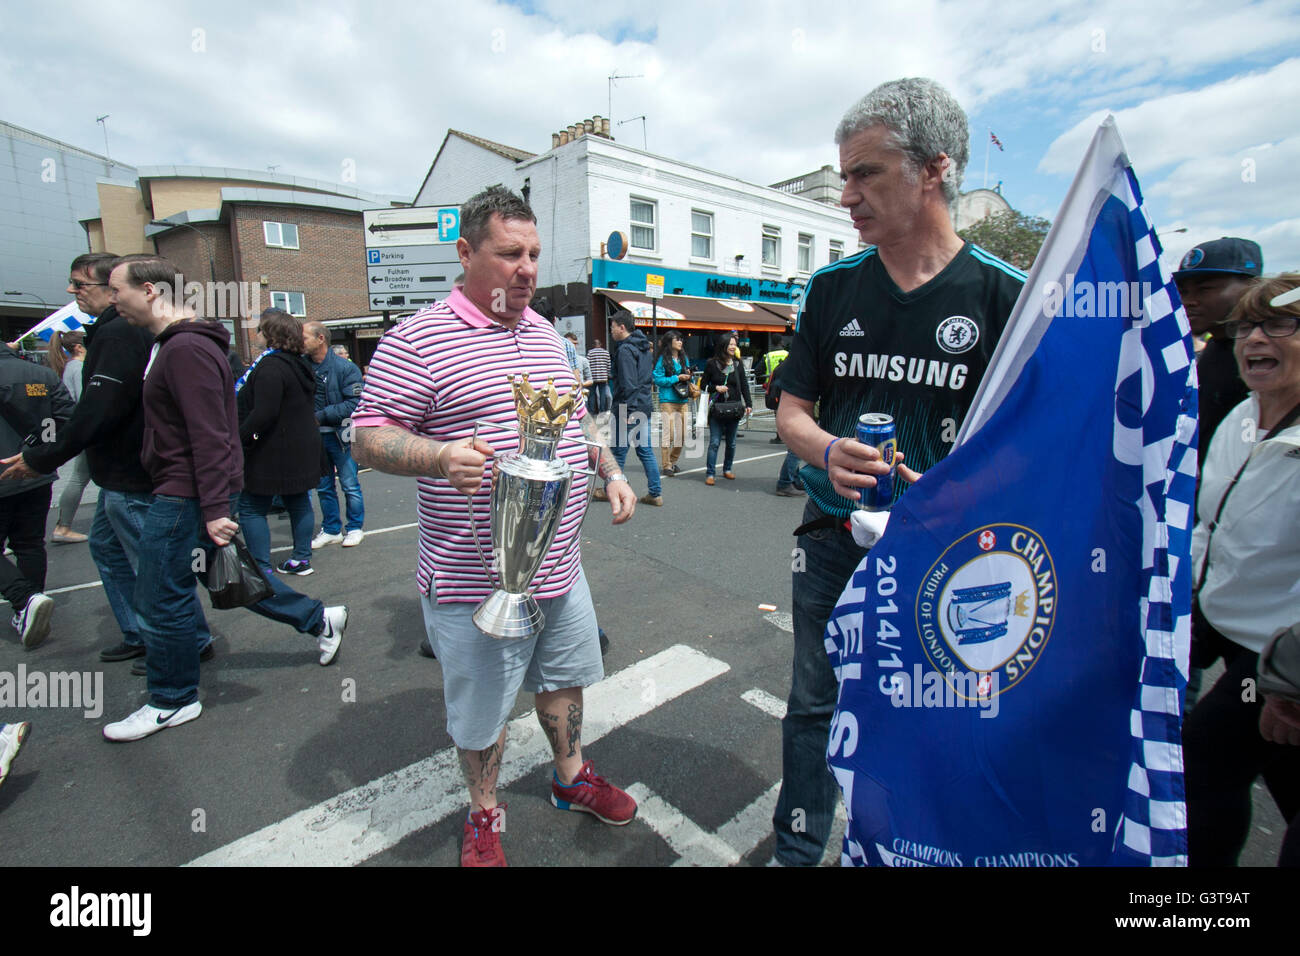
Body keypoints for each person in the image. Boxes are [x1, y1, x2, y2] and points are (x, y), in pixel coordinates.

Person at [770, 77, 1025, 865]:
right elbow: (790, 412)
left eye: (865, 173)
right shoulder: (831, 289)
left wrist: (960, 491)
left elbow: (1027, 447)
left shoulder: (1005, 298)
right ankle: (797, 845)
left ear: (934, 169)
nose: (845, 195)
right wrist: (824, 450)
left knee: (936, 714)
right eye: (842, 175)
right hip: (831, 544)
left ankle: (910, 846)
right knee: (814, 705)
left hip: (950, 557)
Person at [351, 185, 638, 867]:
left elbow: (575, 416)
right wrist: (438, 454)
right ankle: (484, 812)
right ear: (466, 251)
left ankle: (570, 779)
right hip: (471, 580)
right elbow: (365, 437)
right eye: (510, 253)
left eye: (534, 254)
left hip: (560, 567)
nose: (527, 268)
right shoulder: (416, 339)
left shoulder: (545, 333)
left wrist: (611, 470)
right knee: (482, 716)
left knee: (564, 681)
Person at [100, 256, 348, 743]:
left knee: (160, 596)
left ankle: (172, 699)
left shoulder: (186, 348)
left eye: (116, 290)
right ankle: (318, 617)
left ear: (150, 290)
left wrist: (214, 508)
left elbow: (212, 434)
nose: (112, 300)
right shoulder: (176, 344)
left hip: (184, 493)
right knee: (224, 574)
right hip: (186, 490)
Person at [2, 253, 217, 669]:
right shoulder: (124, 330)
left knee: (154, 565)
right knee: (110, 548)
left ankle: (185, 643)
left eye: (81, 285)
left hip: (132, 473)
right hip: (122, 471)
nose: (71, 292)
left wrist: (42, 456)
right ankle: (145, 632)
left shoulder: (123, 333)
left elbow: (99, 409)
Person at [1184, 273, 1300, 867]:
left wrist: (1291, 682)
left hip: (1282, 659)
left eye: (1280, 323)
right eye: (1248, 325)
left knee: (1205, 761)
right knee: (1228, 769)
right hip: (1235, 639)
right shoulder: (1242, 419)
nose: (1257, 337)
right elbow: (1211, 527)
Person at [1172, 236, 1262, 709]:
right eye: (1185, 289)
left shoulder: (1262, 365)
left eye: (1206, 288)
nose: (1190, 300)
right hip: (1201, 547)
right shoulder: (1208, 355)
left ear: (1250, 286)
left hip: (1255, 579)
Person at [0, 340, 74, 647]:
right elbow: (68, 417)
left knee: (26, 545)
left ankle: (25, 599)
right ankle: (27, 607)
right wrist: (37, 450)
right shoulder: (42, 374)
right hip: (35, 472)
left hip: (5, 472)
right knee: (29, 543)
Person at [236, 309, 321, 576]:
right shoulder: (299, 364)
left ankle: (261, 567)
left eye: (260, 329)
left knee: (250, 507)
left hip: (272, 450)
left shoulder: (271, 367)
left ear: (271, 334)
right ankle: (301, 558)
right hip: (300, 447)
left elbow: (264, 413)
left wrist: (240, 438)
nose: (256, 334)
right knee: (297, 501)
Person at [303, 321, 365, 549]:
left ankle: (355, 528)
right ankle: (331, 529)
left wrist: (319, 416)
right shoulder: (302, 366)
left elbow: (355, 403)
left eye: (305, 337)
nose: (301, 342)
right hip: (314, 438)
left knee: (350, 483)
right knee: (323, 486)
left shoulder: (345, 368)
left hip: (341, 436)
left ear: (321, 338)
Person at [606, 310, 663, 506]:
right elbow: (644, 379)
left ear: (622, 327)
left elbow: (629, 383)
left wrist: (627, 412)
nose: (611, 330)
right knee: (645, 450)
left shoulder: (625, 350)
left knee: (618, 451)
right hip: (644, 405)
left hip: (628, 407)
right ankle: (655, 493)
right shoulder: (644, 347)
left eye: (612, 327)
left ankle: (613, 490)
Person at [46, 331, 91, 543]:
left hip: (79, 428)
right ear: (79, 348)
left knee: (80, 477)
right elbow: (87, 401)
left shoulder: (69, 368)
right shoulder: (79, 368)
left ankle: (63, 526)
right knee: (80, 477)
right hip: (88, 430)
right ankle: (63, 527)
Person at [700, 333, 751, 485]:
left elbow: (744, 385)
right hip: (717, 409)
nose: (733, 346)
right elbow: (703, 385)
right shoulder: (711, 363)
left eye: (735, 344)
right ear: (723, 345)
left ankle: (727, 469)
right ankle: (710, 473)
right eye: (730, 344)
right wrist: (716, 388)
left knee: (732, 442)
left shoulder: (737, 364)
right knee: (715, 442)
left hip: (734, 408)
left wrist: (748, 404)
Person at [651, 331, 691, 476]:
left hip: (683, 399)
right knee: (670, 434)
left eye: (681, 339)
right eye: (677, 339)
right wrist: (676, 378)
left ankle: (673, 461)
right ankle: (666, 465)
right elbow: (658, 380)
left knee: (682, 435)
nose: (680, 342)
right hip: (667, 400)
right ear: (670, 342)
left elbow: (688, 378)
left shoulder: (684, 358)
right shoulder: (662, 359)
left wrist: (688, 378)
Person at [766, 355, 805, 496]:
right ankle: (785, 483)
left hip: (785, 409)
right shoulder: (797, 365)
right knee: (796, 448)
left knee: (795, 448)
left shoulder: (786, 364)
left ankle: (794, 479)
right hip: (792, 410)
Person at [587, 339, 611, 416]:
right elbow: (608, 366)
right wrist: (607, 374)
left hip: (593, 377)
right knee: (602, 394)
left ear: (594, 345)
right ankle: (602, 411)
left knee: (592, 395)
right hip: (603, 377)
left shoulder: (590, 353)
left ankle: (592, 411)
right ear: (600, 344)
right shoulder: (606, 353)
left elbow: (588, 365)